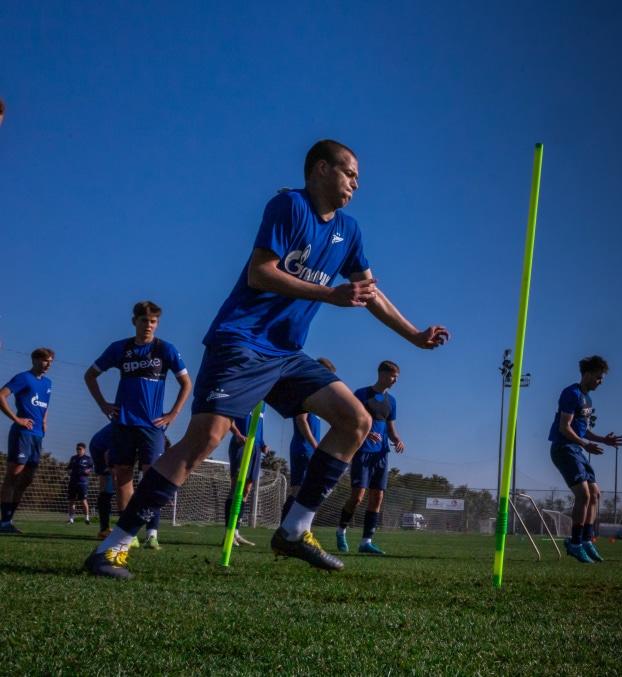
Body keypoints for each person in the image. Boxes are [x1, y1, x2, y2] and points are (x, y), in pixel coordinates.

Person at [84, 139, 449, 579]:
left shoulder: (349, 230)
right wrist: (329, 294)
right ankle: (111, 548)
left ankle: (294, 530)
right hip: (241, 343)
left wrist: (414, 335)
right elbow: (260, 273)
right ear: (321, 169)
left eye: (358, 178)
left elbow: (370, 292)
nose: (356, 183)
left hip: (286, 355)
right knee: (204, 440)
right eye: (350, 173)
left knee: (356, 420)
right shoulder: (289, 206)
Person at [84, 301, 192, 552]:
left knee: (152, 477)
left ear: (157, 324)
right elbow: (90, 375)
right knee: (122, 475)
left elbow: (186, 383)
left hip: (151, 427)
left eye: (153, 321)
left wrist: (172, 414)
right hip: (122, 423)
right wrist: (103, 404)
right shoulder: (120, 348)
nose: (148, 325)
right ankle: (127, 533)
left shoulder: (165, 349)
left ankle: (152, 534)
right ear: (134, 321)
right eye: (144, 321)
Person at [548, 355, 622, 564]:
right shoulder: (571, 393)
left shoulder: (587, 399)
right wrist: (585, 444)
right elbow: (564, 427)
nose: (601, 382)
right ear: (588, 375)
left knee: (595, 494)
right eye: (599, 378)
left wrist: (603, 440)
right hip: (564, 448)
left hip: (577, 449)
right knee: (583, 494)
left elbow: (584, 430)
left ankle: (586, 540)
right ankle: (575, 543)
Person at [336, 360, 404, 555]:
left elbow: (390, 429)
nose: (395, 380)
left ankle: (366, 542)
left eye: (397, 377)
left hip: (381, 454)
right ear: (382, 374)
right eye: (393, 376)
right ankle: (341, 531)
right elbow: (351, 420)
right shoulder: (362, 394)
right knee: (357, 497)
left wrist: (397, 440)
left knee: (377, 497)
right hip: (363, 452)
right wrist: (366, 433)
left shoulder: (392, 401)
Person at [0, 348, 55, 534]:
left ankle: (8, 519)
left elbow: (45, 404)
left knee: (27, 479)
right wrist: (17, 419)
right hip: (22, 434)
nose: (48, 364)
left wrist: (44, 421)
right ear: (35, 360)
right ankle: (4, 522)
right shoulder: (23, 378)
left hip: (38, 436)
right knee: (13, 476)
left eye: (51, 361)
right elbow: (1, 395)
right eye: (45, 360)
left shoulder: (47, 383)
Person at [281, 357, 335, 520]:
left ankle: (295, 527)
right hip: (302, 450)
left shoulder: (318, 398)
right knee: (298, 490)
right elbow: (301, 420)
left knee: (307, 491)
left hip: (311, 450)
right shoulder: (305, 392)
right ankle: (284, 527)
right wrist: (314, 444)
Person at [224, 409, 267, 547]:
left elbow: (259, 425)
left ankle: (236, 532)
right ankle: (228, 533)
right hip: (241, 443)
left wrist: (262, 443)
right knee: (237, 487)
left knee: (247, 490)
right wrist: (237, 434)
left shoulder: (263, 404)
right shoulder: (245, 397)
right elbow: (228, 416)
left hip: (256, 447)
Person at [89, 424, 115, 537]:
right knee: (108, 486)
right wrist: (115, 477)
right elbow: (108, 455)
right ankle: (104, 529)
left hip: (108, 445)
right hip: (100, 448)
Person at [66, 442, 94, 524]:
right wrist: (69, 471)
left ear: (84, 450)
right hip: (73, 482)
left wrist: (89, 470)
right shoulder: (73, 458)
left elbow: (93, 468)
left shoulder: (88, 459)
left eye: (80, 449)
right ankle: (71, 519)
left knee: (83, 500)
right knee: (72, 500)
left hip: (82, 482)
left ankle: (87, 519)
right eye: (77, 449)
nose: (78, 450)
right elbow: (69, 468)